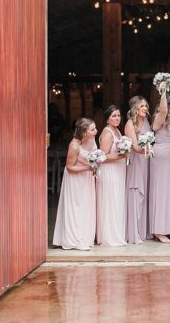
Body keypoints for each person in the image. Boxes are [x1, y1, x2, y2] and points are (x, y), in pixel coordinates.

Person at [52, 118, 98, 251]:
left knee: (86, 206)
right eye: (92, 129)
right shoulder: (74, 145)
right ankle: (74, 239)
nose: (96, 131)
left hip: (86, 179)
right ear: (84, 131)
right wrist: (88, 168)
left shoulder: (90, 140)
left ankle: (84, 237)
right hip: (75, 180)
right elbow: (70, 167)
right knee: (76, 207)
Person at [149, 90, 170, 243]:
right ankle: (159, 230)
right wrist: (163, 91)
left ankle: (169, 227)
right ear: (169, 103)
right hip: (162, 155)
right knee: (162, 191)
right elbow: (163, 109)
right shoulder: (161, 116)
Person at [96, 105, 129, 247]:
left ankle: (116, 233)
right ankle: (109, 237)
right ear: (108, 119)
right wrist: (122, 156)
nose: (117, 118)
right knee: (110, 201)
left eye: (118, 115)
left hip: (118, 171)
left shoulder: (117, 131)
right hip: (109, 172)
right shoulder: (108, 132)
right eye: (114, 116)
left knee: (117, 202)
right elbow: (102, 156)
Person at [124, 96, 151, 244]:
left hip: (145, 160)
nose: (145, 109)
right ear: (135, 108)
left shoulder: (146, 121)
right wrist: (147, 149)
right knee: (136, 194)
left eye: (146, 106)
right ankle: (133, 233)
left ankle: (142, 230)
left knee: (144, 195)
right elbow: (135, 147)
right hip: (136, 161)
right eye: (142, 106)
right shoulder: (130, 124)